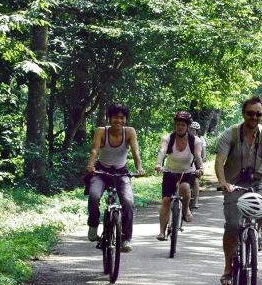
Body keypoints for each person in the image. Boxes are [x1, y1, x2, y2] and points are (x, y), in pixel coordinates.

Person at [215, 96, 262, 285]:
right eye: (250, 113)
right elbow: (219, 161)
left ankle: (257, 231)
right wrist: (223, 182)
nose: (254, 117)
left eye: (258, 114)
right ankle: (228, 268)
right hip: (234, 183)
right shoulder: (231, 134)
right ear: (243, 114)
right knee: (233, 226)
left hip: (259, 181)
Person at [86, 103, 145, 253]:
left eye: (122, 117)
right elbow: (94, 150)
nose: (119, 121)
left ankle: (126, 238)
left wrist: (139, 167)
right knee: (93, 195)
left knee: (128, 202)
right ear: (109, 118)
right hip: (101, 172)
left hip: (121, 173)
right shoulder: (101, 131)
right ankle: (93, 224)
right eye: (115, 117)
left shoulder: (130, 132)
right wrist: (90, 165)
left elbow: (135, 152)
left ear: (125, 119)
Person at [154, 111, 204, 240]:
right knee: (165, 201)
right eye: (178, 124)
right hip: (170, 172)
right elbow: (162, 151)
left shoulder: (195, 140)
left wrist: (201, 168)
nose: (180, 127)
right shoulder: (168, 138)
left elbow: (198, 156)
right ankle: (161, 232)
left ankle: (186, 209)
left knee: (184, 188)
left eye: (183, 125)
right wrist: (158, 164)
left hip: (188, 172)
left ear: (187, 127)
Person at [189, 121, 207, 209]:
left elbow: (203, 154)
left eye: (194, 130)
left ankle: (195, 201)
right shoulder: (185, 138)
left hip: (196, 162)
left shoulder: (201, 139)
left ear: (197, 131)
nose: (192, 132)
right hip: (186, 161)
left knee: (195, 181)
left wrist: (200, 162)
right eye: (191, 130)